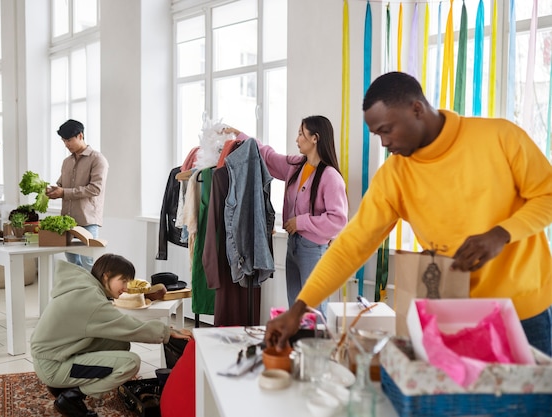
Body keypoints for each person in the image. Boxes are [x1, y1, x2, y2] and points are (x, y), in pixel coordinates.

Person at [265, 71, 552, 356]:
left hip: (524, 311)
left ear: (416, 108)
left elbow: (547, 195)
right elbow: (349, 248)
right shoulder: (394, 176)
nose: (384, 143)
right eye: (377, 134)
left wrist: (501, 234)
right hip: (455, 314)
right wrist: (299, 309)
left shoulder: (500, 137)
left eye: (386, 130)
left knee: (533, 403)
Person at [30, 253, 193, 417]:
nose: (126, 287)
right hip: (52, 365)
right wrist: (168, 332)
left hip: (55, 355)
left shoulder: (84, 288)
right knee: (130, 363)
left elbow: (119, 326)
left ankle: (64, 386)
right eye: (123, 281)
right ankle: (71, 398)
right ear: (106, 276)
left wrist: (165, 331)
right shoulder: (89, 298)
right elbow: (127, 327)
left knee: (119, 344)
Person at [223, 116, 348, 316]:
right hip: (294, 246)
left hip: (314, 250)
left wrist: (301, 222)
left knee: (314, 310)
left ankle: (317, 347)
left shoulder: (330, 176)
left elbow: (338, 221)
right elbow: (268, 155)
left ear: (315, 138)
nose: (297, 139)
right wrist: (240, 135)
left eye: (301, 134)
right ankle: (297, 346)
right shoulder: (296, 166)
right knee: (296, 307)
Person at [46, 119, 108, 271]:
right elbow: (61, 184)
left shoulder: (97, 159)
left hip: (87, 220)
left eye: (69, 140)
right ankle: (80, 293)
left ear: (80, 135)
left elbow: (95, 189)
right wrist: (53, 190)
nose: (66, 144)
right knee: (72, 263)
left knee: (89, 263)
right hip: (67, 220)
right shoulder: (66, 161)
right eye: (63, 141)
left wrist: (64, 192)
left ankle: (95, 294)